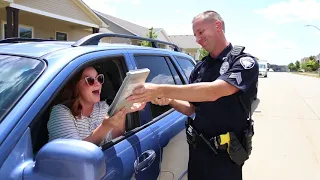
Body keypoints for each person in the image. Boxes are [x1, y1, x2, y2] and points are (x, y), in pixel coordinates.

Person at [127, 10, 258, 180]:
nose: (197, 39)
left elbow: (214, 91)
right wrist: (170, 100)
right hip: (198, 153)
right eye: (195, 34)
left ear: (218, 25)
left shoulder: (242, 62)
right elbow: (192, 109)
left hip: (226, 157)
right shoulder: (200, 67)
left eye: (201, 32)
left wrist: (159, 89)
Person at [47, 66, 146, 146]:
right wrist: (105, 126)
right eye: (90, 80)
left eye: (99, 79)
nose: (97, 84)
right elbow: (77, 155)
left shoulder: (102, 107)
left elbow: (114, 140)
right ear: (76, 86)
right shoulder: (60, 113)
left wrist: (123, 109)